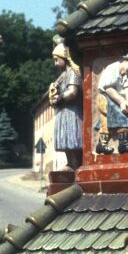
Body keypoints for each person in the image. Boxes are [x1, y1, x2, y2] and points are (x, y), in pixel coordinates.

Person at [49, 42, 83, 171]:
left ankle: (75, 163)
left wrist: (60, 97)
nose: (55, 63)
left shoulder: (72, 72)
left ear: (65, 57)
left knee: (71, 136)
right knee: (65, 138)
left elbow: (73, 92)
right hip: (63, 110)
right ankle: (70, 162)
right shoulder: (62, 75)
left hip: (72, 111)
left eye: (56, 59)